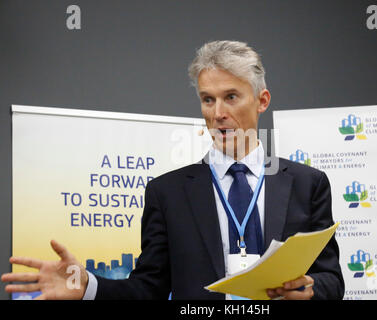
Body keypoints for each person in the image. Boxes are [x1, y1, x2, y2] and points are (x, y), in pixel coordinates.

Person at [1, 40, 344, 300]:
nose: (218, 113)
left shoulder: (307, 184)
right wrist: (87, 285)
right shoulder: (167, 193)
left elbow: (332, 279)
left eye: (231, 97)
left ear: (262, 101)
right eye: (208, 99)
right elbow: (147, 289)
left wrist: (312, 289)